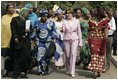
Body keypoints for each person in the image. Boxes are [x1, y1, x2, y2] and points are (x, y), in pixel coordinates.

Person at [31, 10, 57, 75]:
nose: (44, 18)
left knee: (46, 58)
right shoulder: (37, 23)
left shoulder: (51, 23)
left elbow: (54, 31)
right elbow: (34, 32)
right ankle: (40, 71)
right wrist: (33, 39)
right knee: (39, 57)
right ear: (40, 16)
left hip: (48, 43)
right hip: (39, 42)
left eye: (45, 16)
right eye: (42, 16)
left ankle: (45, 70)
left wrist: (52, 37)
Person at [87, 6, 110, 79]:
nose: (94, 11)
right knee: (94, 55)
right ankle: (94, 72)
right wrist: (88, 40)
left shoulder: (105, 20)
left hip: (101, 40)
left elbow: (106, 30)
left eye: (95, 10)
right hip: (93, 40)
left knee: (101, 55)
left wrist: (105, 39)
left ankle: (99, 70)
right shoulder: (91, 20)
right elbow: (90, 31)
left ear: (99, 11)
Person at [10, 8, 31, 78]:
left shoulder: (28, 20)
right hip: (17, 41)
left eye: (27, 12)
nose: (27, 13)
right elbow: (13, 29)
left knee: (26, 56)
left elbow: (31, 29)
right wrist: (15, 37)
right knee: (17, 57)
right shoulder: (15, 19)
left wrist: (28, 30)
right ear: (22, 12)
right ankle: (16, 73)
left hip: (26, 41)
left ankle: (24, 71)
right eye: (26, 12)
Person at [62, 8, 83, 77]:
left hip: (75, 39)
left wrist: (80, 42)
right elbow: (64, 30)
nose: (68, 14)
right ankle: (68, 69)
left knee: (73, 54)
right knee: (67, 55)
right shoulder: (64, 21)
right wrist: (62, 29)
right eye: (67, 13)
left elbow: (79, 32)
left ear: (72, 14)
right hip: (66, 39)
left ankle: (72, 71)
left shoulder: (77, 21)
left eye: (69, 13)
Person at [1, 3, 18, 77]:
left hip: (15, 41)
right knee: (5, 57)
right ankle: (6, 71)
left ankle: (14, 71)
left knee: (14, 57)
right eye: (10, 8)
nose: (11, 9)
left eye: (12, 7)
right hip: (5, 40)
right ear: (7, 9)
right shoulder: (3, 17)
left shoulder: (17, 16)